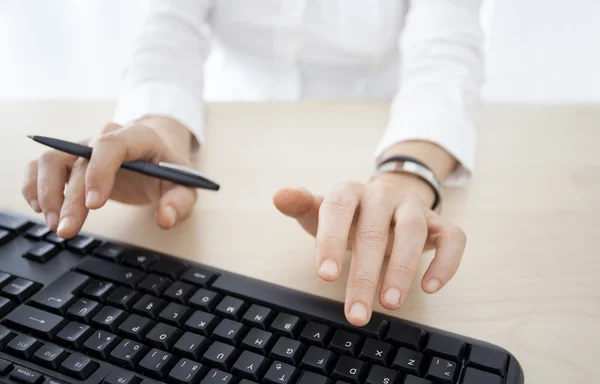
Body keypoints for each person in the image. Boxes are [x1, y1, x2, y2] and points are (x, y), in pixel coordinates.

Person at [21, 1, 484, 327]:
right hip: (231, 133)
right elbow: (168, 31)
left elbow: (445, 52)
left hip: (381, 128)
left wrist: (408, 173)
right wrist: (162, 131)